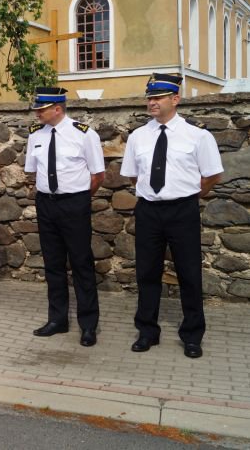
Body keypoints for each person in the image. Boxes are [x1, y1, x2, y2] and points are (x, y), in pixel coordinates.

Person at [120, 73, 223, 359]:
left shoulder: (198, 135)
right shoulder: (138, 136)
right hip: (149, 210)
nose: (151, 102)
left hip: (183, 210)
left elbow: (212, 175)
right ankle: (147, 331)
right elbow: (133, 176)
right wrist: (155, 193)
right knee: (146, 272)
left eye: (158, 97)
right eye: (149, 98)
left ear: (175, 99)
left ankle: (192, 335)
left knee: (189, 273)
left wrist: (188, 195)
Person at [24, 87, 105, 347]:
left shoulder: (84, 134)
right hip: (46, 204)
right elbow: (32, 170)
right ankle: (57, 319)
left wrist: (79, 199)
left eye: (42, 109)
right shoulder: (35, 134)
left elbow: (98, 175)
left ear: (57, 108)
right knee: (53, 263)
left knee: (81, 263)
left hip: (74, 203)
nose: (37, 113)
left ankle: (88, 324)